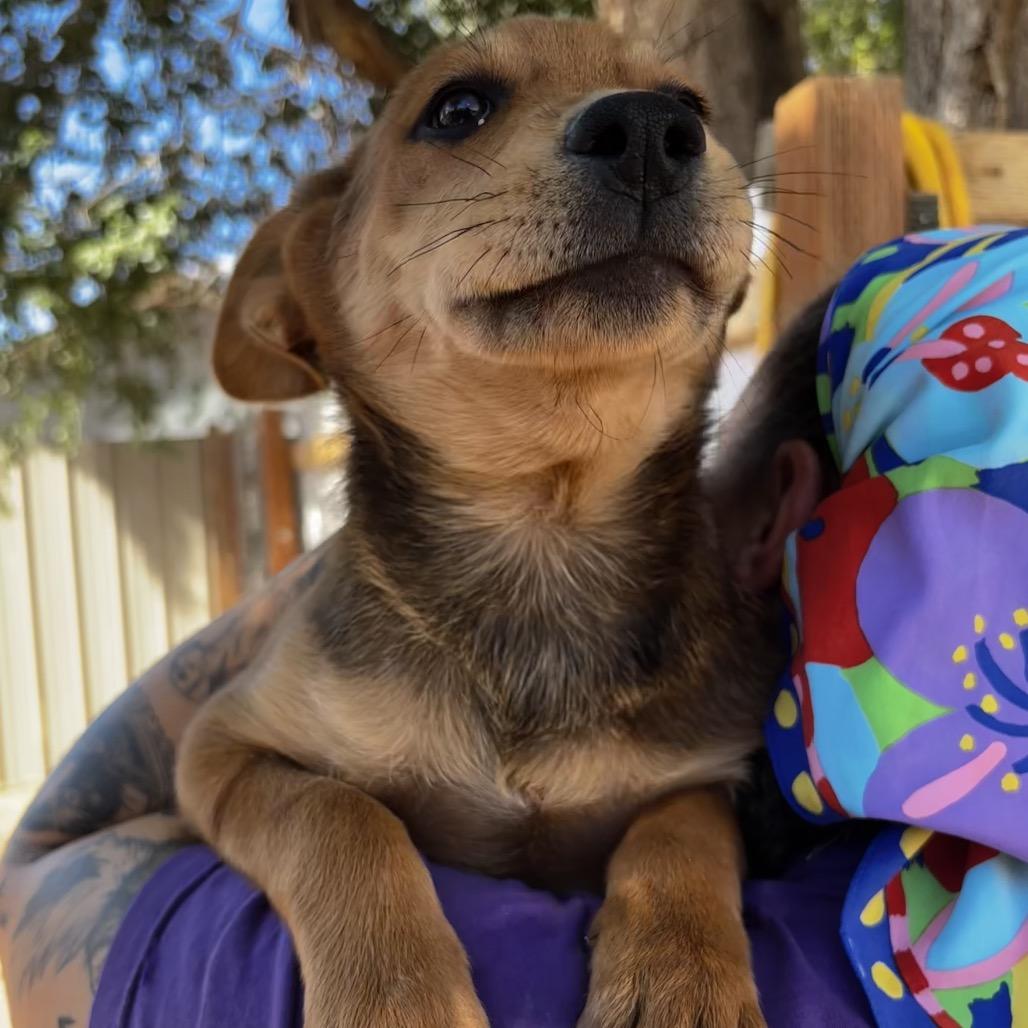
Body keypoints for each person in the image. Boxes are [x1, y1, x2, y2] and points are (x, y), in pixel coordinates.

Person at [0, 291, 877, 1028]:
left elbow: (40, 865)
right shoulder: (896, 931)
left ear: (775, 515)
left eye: (692, 480)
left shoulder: (236, 977)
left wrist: (410, 504)